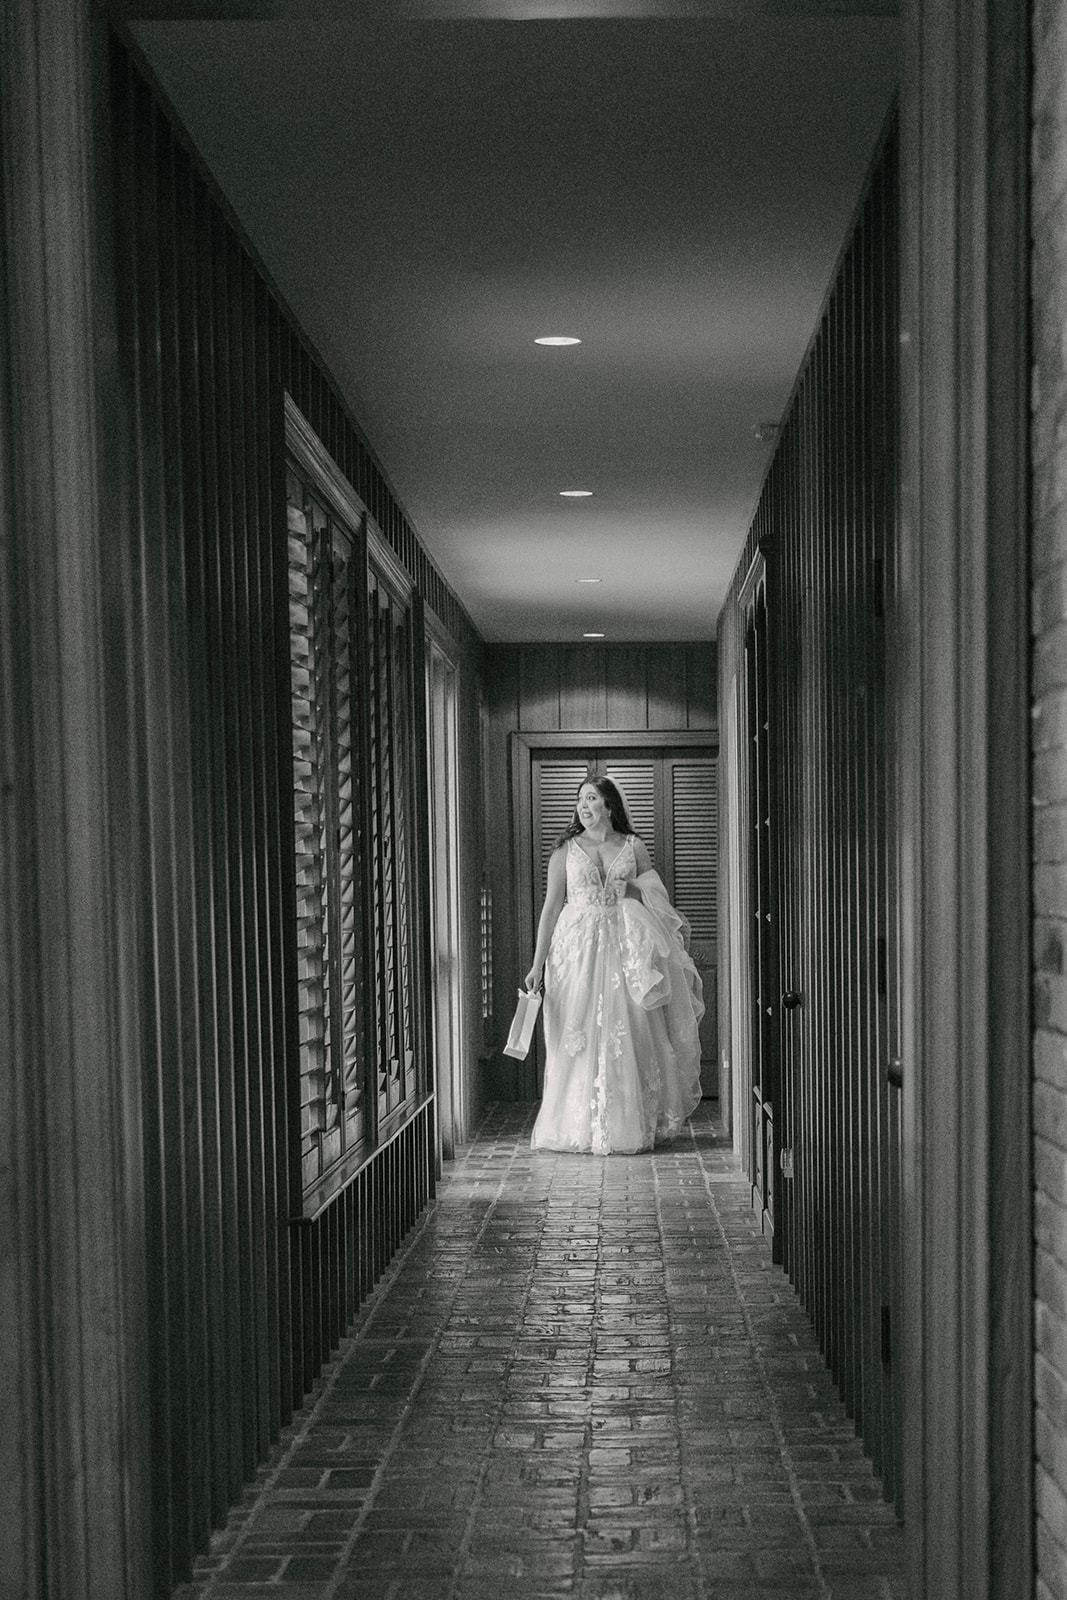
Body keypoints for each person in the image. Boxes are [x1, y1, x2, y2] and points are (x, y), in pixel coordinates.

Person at [524, 773, 704, 1154]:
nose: (583, 806)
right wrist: (537, 965)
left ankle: (626, 1125)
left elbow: (654, 895)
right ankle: (576, 1125)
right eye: (580, 800)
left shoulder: (633, 846)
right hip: (576, 953)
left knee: (631, 1030)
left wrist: (633, 893)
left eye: (591, 798)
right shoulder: (565, 850)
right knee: (576, 1033)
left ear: (609, 806)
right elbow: (550, 909)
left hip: (625, 949)